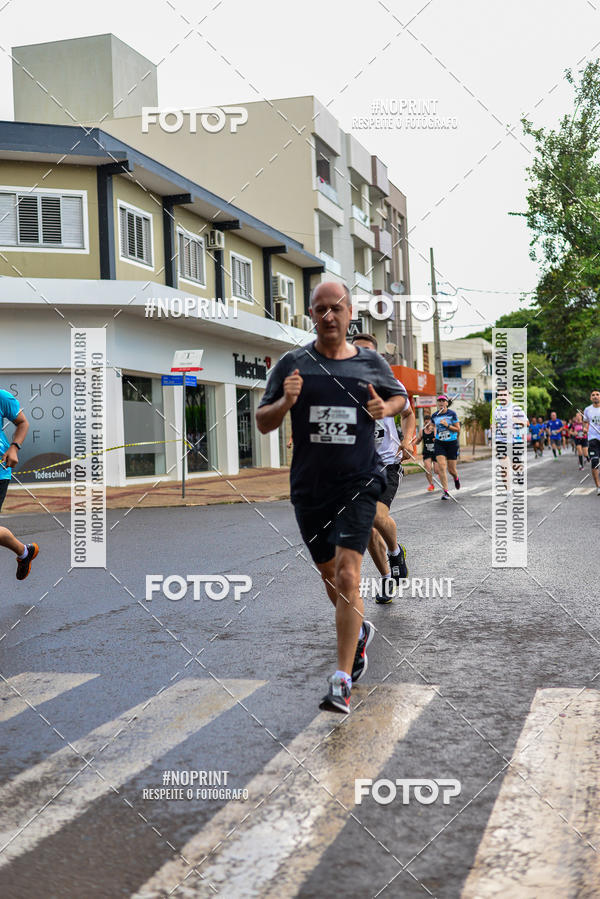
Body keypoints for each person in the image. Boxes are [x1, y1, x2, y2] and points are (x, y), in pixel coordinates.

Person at [256, 282, 408, 713]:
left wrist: (387, 410)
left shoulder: (370, 362)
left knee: (347, 576)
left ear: (349, 312)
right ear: (311, 314)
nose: (328, 316)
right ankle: (358, 631)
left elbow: (400, 397)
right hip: (310, 489)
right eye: (320, 310)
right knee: (330, 579)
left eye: (335, 308)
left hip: (359, 483)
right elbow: (263, 421)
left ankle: (341, 679)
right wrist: (285, 402)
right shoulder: (292, 363)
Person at [351, 333, 416, 604]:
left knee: (377, 516)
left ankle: (395, 551)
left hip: (387, 463)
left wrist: (407, 439)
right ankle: (387, 577)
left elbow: (408, 414)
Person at [0, 389, 39, 579]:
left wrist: (14, 448)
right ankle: (24, 552)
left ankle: (24, 552)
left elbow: (23, 423)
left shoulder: (2, 396)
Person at [431, 395, 461, 501]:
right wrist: (433, 432)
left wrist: (447, 425)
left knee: (451, 469)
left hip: (452, 443)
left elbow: (458, 429)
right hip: (440, 443)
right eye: (439, 401)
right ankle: (446, 491)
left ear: (447, 403)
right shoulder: (434, 415)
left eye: (443, 401)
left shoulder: (452, 414)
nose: (441, 403)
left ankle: (456, 478)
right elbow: (433, 426)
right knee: (442, 467)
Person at [583, 389, 600, 495]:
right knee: (594, 462)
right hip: (593, 439)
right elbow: (585, 422)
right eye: (593, 395)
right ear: (590, 397)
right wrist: (585, 428)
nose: (595, 396)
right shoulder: (587, 410)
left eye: (597, 394)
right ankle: (598, 486)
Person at [417, 414, 437, 490]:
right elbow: (418, 441)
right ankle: (431, 485)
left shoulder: (435, 429)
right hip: (427, 452)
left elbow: (439, 438)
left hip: (436, 452)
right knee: (427, 469)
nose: (427, 424)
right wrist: (412, 443)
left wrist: (436, 439)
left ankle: (441, 473)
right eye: (425, 423)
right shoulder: (422, 431)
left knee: (437, 470)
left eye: (428, 423)